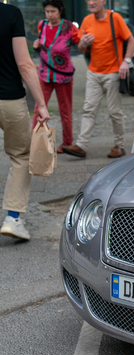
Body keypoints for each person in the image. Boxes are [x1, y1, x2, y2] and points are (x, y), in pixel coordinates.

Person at [1, 2, 51, 240]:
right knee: (21, 156)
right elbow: (24, 64)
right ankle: (12, 219)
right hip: (9, 99)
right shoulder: (11, 13)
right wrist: (41, 104)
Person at [63, 0, 134, 159]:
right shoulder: (87, 20)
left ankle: (119, 145)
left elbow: (132, 40)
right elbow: (82, 49)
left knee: (115, 112)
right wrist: (83, 43)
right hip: (93, 73)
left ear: (104, 1)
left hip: (113, 73)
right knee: (88, 109)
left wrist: (126, 61)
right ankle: (81, 146)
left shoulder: (114, 18)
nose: (91, 2)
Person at [32, 0, 80, 154]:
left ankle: (67, 142)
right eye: (47, 11)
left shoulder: (69, 27)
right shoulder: (42, 25)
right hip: (44, 73)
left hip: (63, 76)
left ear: (60, 11)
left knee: (65, 110)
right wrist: (36, 45)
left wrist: (85, 41)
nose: (50, 15)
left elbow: (81, 44)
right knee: (38, 108)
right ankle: (34, 141)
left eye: (53, 11)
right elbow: (41, 42)